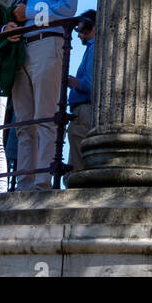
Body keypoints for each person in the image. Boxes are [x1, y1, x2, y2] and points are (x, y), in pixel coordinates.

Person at [3, 0, 79, 191]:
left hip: (47, 43)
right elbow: (15, 13)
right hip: (21, 48)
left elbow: (67, 9)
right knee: (23, 123)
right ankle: (24, 183)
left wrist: (31, 13)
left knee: (45, 116)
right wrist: (8, 28)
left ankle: (42, 182)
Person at [65, 10, 96, 179]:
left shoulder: (94, 47)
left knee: (78, 166)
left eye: (82, 30)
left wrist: (72, 82)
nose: (79, 35)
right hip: (84, 109)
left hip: (84, 109)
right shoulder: (92, 48)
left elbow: (89, 84)